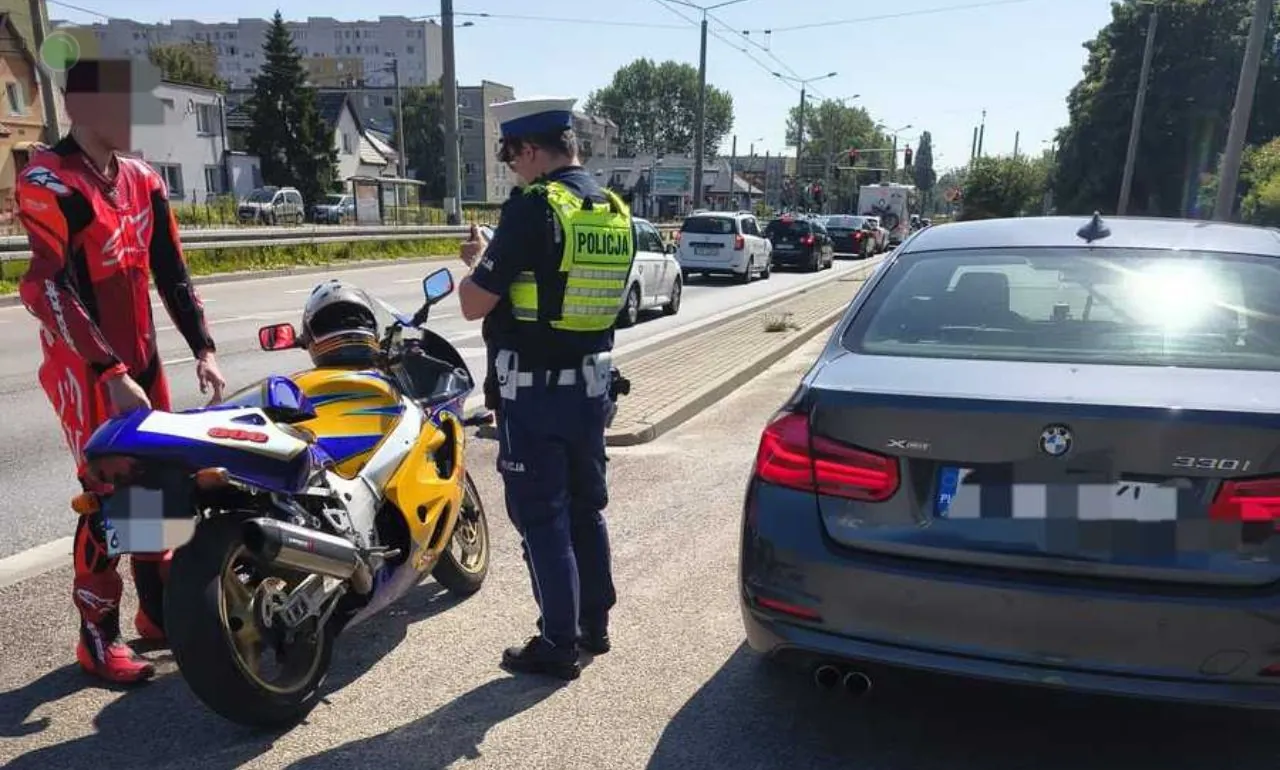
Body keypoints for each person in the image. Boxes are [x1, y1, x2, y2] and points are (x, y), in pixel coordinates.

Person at [16, 58, 226, 684]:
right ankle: (95, 637)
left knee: (158, 479)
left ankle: (156, 614)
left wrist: (204, 347)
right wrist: (105, 367)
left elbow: (173, 273)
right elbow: (45, 284)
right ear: (81, 108)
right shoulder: (49, 181)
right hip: (85, 365)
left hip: (142, 356)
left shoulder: (141, 180)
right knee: (110, 492)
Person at [456, 96, 634, 680]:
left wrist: (478, 260)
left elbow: (472, 302)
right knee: (587, 508)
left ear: (532, 150)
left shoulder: (534, 207)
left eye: (511, 157)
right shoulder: (611, 209)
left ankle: (557, 643)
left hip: (534, 395)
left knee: (542, 516)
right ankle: (595, 626)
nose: (512, 167)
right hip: (591, 389)